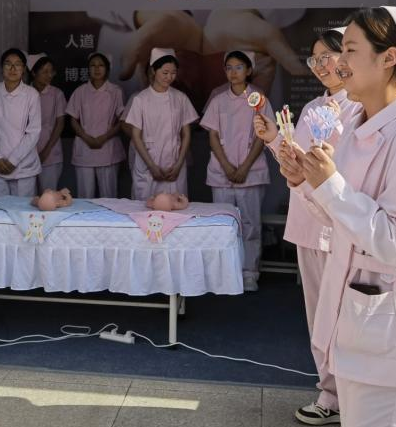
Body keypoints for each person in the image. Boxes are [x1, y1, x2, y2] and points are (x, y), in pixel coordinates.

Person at [277, 7, 396, 427]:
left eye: (351, 51)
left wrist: (331, 186)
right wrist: (307, 184)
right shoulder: (358, 127)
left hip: (394, 340)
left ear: (388, 58)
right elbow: (342, 221)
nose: (339, 64)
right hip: (359, 331)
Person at [254, 27, 362, 427]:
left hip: (338, 225)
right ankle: (330, 395)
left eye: (327, 57)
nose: (320, 66)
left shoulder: (358, 108)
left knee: (345, 318)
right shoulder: (315, 106)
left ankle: (354, 406)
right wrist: (272, 140)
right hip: (306, 222)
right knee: (318, 318)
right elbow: (296, 162)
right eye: (314, 59)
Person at [201, 51, 274, 292]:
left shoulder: (259, 99)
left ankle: (249, 272)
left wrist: (244, 167)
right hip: (221, 172)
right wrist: (227, 166)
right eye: (229, 68)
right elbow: (212, 136)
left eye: (239, 67)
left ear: (249, 70)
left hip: (250, 172)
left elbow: (263, 136)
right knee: (222, 224)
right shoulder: (218, 100)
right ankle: (222, 273)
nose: (233, 73)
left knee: (250, 224)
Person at [123, 48, 198, 201]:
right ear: (153, 71)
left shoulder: (180, 98)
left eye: (173, 73)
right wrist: (151, 166)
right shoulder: (140, 99)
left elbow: (186, 134)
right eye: (165, 72)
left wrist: (179, 164)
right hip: (148, 163)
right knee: (145, 208)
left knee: (175, 206)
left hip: (174, 163)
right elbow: (136, 136)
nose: (169, 77)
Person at [0, 48, 42, 196]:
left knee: (22, 208)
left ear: (23, 69)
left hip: (24, 165)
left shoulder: (32, 95)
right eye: (8, 64)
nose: (13, 69)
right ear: (2, 68)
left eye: (18, 64)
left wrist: (14, 160)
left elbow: (33, 132)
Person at [66, 52, 125, 198]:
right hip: (85, 149)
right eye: (93, 65)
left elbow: (121, 121)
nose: (97, 69)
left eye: (101, 65)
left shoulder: (115, 91)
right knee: (85, 196)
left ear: (107, 69)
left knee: (109, 196)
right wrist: (87, 138)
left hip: (107, 149)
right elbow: (73, 119)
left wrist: (103, 138)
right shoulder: (80, 92)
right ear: (88, 69)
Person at [28, 53, 67, 193]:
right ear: (34, 73)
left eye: (51, 71)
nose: (49, 75)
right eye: (44, 71)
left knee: (48, 196)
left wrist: (46, 151)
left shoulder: (57, 94)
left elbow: (60, 123)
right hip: (26, 153)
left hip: (51, 152)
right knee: (26, 197)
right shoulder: (25, 93)